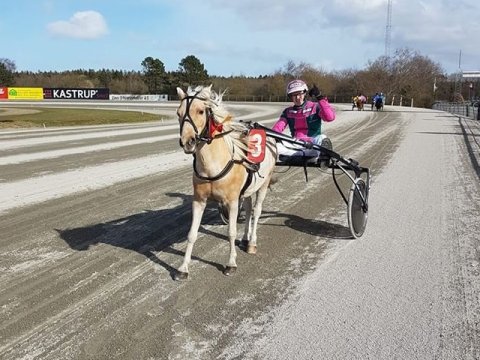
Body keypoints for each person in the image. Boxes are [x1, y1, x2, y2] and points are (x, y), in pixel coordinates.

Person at [272, 79, 335, 161]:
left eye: (299, 94)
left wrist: (320, 98)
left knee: (322, 138)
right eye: (294, 95)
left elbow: (330, 117)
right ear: (290, 96)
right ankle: (307, 156)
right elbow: (278, 128)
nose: (297, 98)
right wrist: (273, 137)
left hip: (313, 144)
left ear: (305, 93)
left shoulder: (315, 107)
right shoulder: (287, 111)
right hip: (295, 144)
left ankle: (296, 156)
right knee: (274, 145)